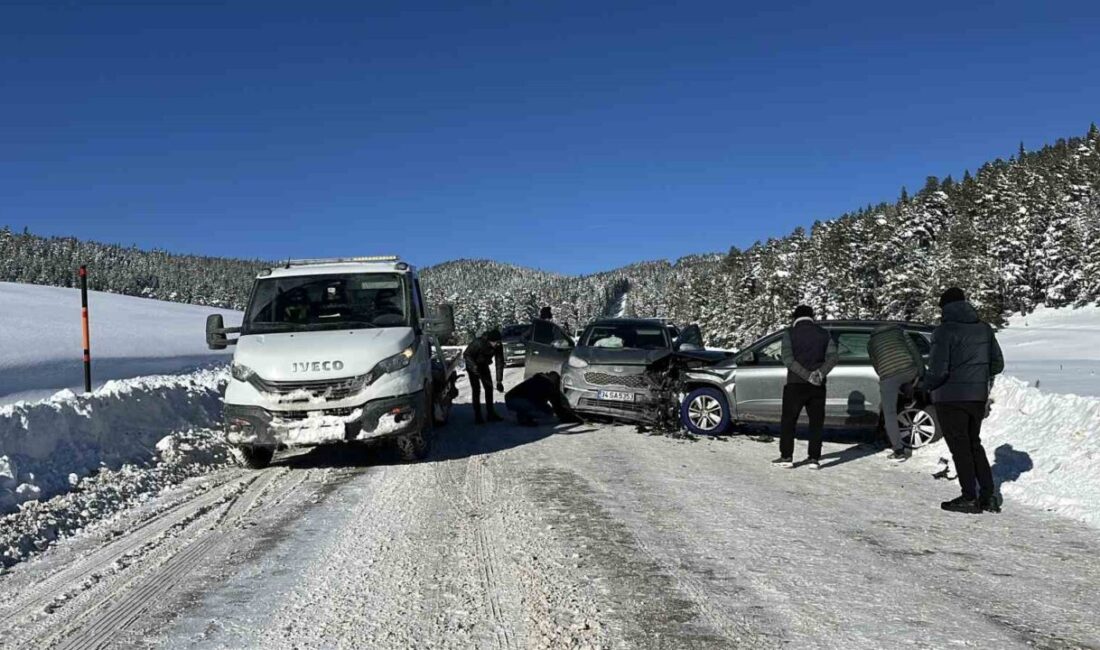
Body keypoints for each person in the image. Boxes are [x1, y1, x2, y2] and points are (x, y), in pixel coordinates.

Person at [925, 288, 1005, 514]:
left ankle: (969, 496)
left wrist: (925, 385)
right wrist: (979, 378)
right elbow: (997, 364)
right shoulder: (984, 329)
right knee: (974, 444)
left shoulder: (943, 331)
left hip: (950, 397)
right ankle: (988, 497)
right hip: (976, 397)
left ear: (944, 307)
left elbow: (939, 370)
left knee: (960, 446)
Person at [774, 305, 838, 469]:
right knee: (816, 422)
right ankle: (813, 458)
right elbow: (832, 358)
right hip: (818, 385)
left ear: (795, 317)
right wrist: (819, 374)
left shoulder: (789, 333)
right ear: (812, 317)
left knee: (789, 421)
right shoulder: (825, 334)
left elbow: (788, 359)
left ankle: (787, 457)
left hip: (795, 383)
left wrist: (805, 375)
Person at [868, 324, 926, 462]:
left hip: (888, 375)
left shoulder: (871, 342)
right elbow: (915, 352)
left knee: (889, 413)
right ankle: (909, 397)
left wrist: (885, 378)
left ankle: (899, 451)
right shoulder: (901, 333)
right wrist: (921, 373)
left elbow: (876, 365)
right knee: (911, 380)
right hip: (908, 368)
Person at [463, 329, 506, 424]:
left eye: (499, 342)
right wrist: (474, 367)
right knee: (476, 390)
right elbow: (466, 354)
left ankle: (490, 414)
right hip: (472, 366)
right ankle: (478, 416)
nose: (498, 344)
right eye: (496, 342)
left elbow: (499, 362)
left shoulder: (498, 346)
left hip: (483, 365)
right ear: (490, 341)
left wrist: (499, 381)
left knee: (489, 388)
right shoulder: (478, 343)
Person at [504, 371, 575, 426]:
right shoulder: (549, 385)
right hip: (517, 400)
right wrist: (568, 417)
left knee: (542, 407)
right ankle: (523, 417)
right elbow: (556, 405)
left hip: (510, 399)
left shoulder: (538, 379)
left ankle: (523, 414)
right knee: (547, 413)